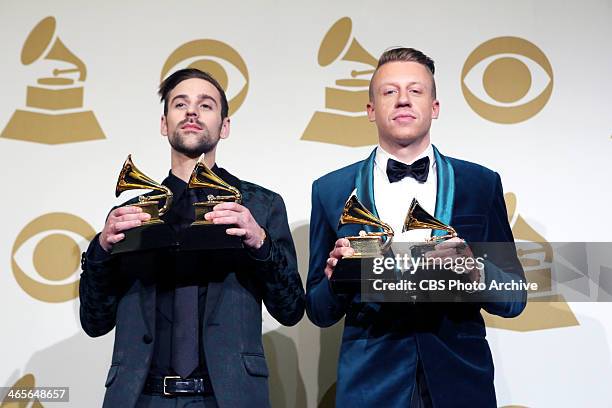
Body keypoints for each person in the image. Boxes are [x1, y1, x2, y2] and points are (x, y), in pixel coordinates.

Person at [305, 48, 527, 407]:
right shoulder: (329, 190)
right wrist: (337, 280)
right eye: (389, 92)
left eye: (416, 90)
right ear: (371, 110)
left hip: (460, 382)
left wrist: (475, 272)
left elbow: (515, 296)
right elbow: (318, 310)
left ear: (435, 107)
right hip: (370, 387)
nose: (403, 100)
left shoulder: (481, 183)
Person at [79, 68, 305, 408]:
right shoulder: (131, 214)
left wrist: (261, 243)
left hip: (228, 398)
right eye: (180, 104)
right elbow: (94, 322)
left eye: (206, 105)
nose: (192, 112)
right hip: (141, 398)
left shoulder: (261, 205)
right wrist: (100, 251)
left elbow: (290, 310)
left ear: (224, 126)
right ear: (164, 123)